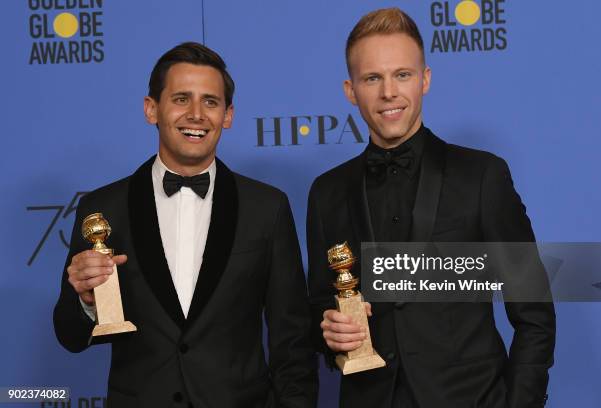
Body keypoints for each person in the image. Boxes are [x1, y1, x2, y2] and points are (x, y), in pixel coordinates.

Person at [307, 8, 555, 408]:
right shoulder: (326, 193)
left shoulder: (482, 176)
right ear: (351, 90)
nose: (389, 92)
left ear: (425, 80)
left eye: (402, 74)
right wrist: (329, 334)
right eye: (373, 78)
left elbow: (535, 314)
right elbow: (321, 303)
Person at [54, 42, 318, 408]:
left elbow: (292, 340)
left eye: (210, 102)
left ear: (228, 115)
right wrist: (85, 302)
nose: (196, 114)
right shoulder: (102, 209)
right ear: (152, 109)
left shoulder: (267, 208)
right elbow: (68, 335)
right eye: (181, 99)